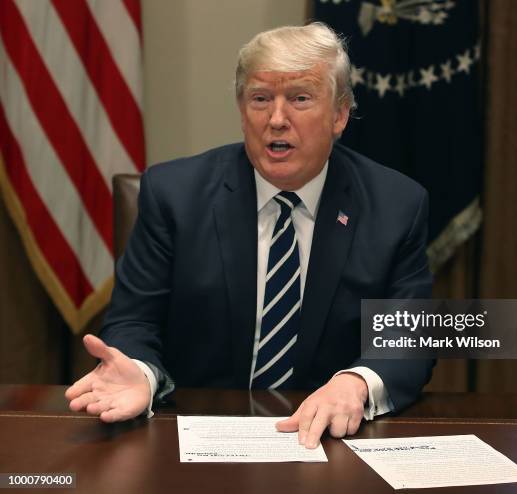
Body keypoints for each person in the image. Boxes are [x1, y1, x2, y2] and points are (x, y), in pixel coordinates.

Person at [65, 22, 434, 448]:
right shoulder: (174, 194)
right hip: (192, 436)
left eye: (300, 98)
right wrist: (142, 374)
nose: (277, 119)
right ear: (243, 111)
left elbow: (410, 339)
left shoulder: (395, 204)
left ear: (339, 114)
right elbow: (135, 319)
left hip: (330, 440)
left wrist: (357, 383)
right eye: (260, 99)